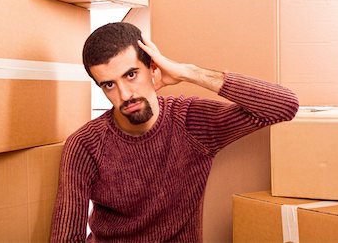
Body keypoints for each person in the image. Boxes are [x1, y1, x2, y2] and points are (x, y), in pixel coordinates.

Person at [50, 22, 299, 242]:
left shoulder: (191, 122)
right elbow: (66, 237)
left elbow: (283, 105)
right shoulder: (84, 145)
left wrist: (188, 72)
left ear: (153, 67)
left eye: (131, 74)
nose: (125, 95)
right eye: (109, 84)